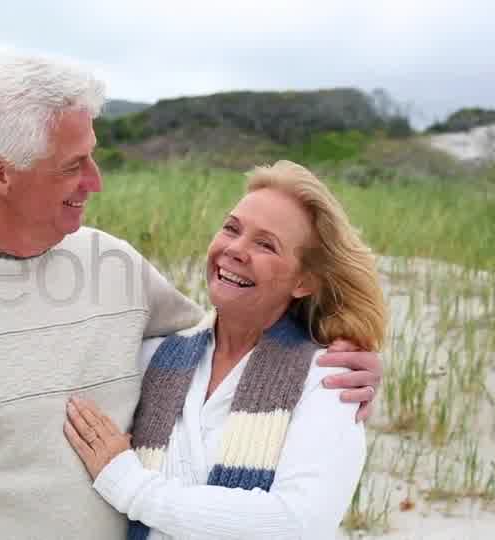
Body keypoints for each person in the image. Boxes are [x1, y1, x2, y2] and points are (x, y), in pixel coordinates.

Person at [0, 55, 382, 540]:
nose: (96, 180)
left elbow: (224, 342)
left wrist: (343, 362)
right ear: (1, 174)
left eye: (92, 154)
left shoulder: (115, 266)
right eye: (73, 165)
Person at [64, 160, 387, 539]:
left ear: (304, 281)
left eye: (266, 244)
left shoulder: (329, 381)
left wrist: (130, 487)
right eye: (231, 228)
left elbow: (297, 523)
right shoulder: (156, 357)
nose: (235, 249)